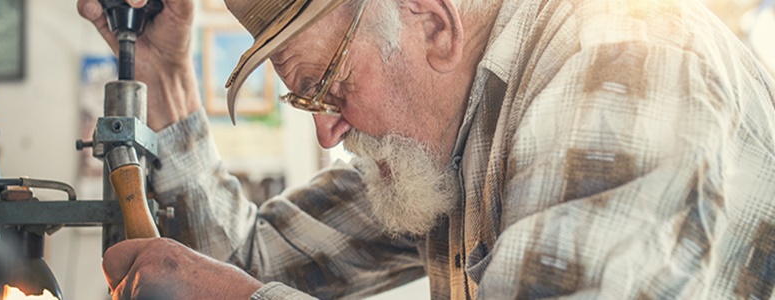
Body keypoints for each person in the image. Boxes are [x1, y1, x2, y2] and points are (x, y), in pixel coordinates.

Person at [77, 0, 775, 298]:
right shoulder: (444, 141)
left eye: (329, 86)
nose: (328, 130)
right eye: (309, 98)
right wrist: (165, 74)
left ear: (434, 22)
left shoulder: (625, 61)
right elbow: (236, 263)